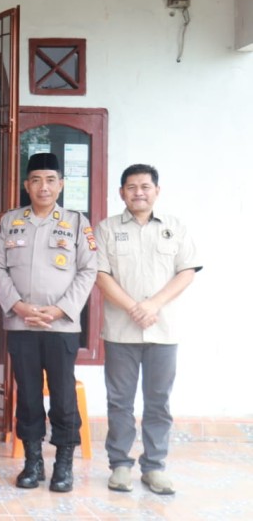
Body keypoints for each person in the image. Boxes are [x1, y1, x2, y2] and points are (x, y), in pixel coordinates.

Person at [0, 152, 96, 493]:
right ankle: (32, 462)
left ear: (61, 184)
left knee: (63, 397)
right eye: (36, 180)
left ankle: (63, 463)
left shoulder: (77, 222)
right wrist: (18, 306)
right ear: (27, 185)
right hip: (22, 326)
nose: (44, 187)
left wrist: (62, 309)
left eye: (50, 180)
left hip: (60, 327)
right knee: (29, 396)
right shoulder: (11, 221)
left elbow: (89, 270)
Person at [95, 164, 201, 495]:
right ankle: (120, 465)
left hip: (163, 330)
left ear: (157, 190)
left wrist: (153, 305)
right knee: (119, 401)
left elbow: (187, 271)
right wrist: (134, 308)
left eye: (145, 186)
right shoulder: (106, 229)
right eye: (131, 187)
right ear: (121, 193)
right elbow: (100, 275)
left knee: (158, 401)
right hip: (121, 332)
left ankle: (154, 467)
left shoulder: (175, 227)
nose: (138, 192)